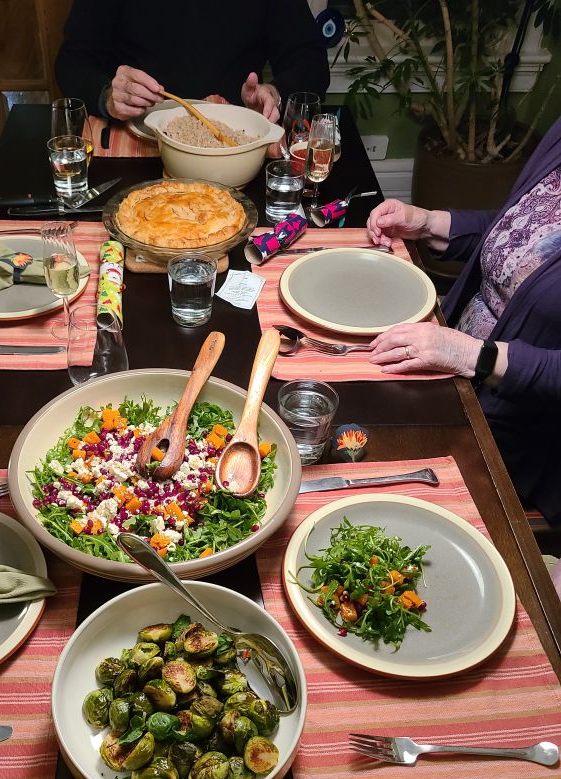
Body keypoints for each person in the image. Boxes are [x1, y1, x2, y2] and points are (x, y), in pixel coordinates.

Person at [366, 117, 561, 525]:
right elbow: (520, 235)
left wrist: (474, 355)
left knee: (373, 484)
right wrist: (428, 222)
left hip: (514, 429)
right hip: (448, 351)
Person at [55, 0, 330, 125]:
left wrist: (275, 94)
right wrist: (107, 96)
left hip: (234, 143)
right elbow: (73, 62)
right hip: (138, 141)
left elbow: (310, 61)